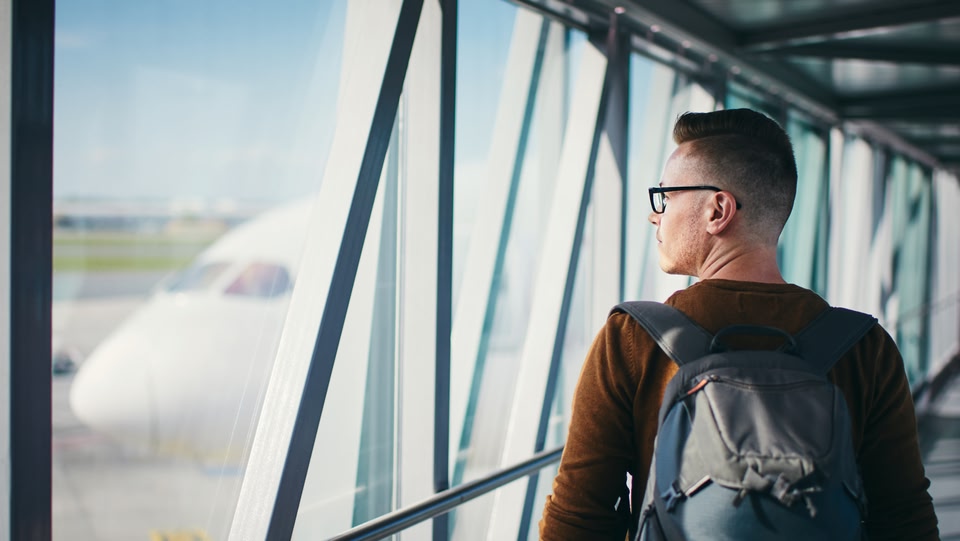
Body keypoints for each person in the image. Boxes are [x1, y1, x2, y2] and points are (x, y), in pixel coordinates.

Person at [538, 109, 939, 540]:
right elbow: (905, 520)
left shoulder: (632, 340)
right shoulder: (866, 348)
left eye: (666, 197)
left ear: (718, 210)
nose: (655, 215)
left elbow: (577, 521)